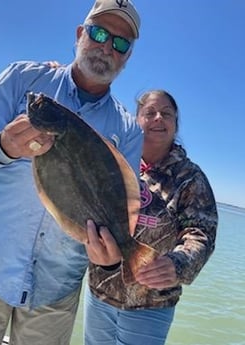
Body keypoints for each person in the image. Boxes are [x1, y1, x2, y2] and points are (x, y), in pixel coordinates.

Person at [0, 1, 143, 344]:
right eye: (98, 32)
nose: (107, 46)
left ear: (126, 57)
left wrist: (112, 260)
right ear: (80, 34)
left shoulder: (127, 128)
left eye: (121, 43)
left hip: (57, 289)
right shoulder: (24, 77)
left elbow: (124, 202)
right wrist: (3, 145)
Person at [84, 89, 218, 345]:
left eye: (166, 114)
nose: (158, 118)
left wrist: (178, 264)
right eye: (150, 113)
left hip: (151, 304)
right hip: (100, 292)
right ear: (137, 120)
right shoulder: (115, 163)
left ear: (175, 125)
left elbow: (200, 234)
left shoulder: (190, 178)